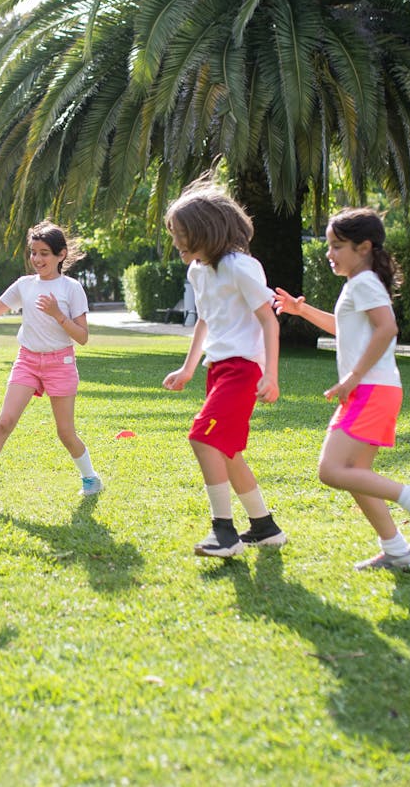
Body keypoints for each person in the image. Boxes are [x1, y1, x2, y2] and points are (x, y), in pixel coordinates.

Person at [275, 208, 410, 571]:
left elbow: (387, 329)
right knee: (357, 476)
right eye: (329, 246)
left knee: (332, 470)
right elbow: (346, 328)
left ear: (364, 247)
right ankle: (398, 551)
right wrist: (300, 311)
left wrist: (352, 376)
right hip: (373, 390)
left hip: (371, 389)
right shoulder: (359, 284)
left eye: (337, 246)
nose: (329, 254)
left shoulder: (364, 282)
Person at [160, 183, 286, 557]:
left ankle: (224, 532)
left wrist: (271, 374)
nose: (177, 243)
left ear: (207, 230)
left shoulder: (240, 268)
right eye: (174, 235)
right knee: (227, 451)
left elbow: (269, 321)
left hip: (243, 369)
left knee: (203, 437)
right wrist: (187, 369)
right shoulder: (199, 272)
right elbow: (205, 320)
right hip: (218, 368)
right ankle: (265, 528)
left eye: (182, 235)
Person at [0, 221, 102, 506]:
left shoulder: (71, 288)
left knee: (66, 433)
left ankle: (91, 477)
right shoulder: (24, 285)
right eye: (33, 252)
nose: (37, 259)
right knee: (5, 422)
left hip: (61, 363)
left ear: (61, 254)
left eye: (44, 253)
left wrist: (58, 314)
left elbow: (82, 337)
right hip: (27, 361)